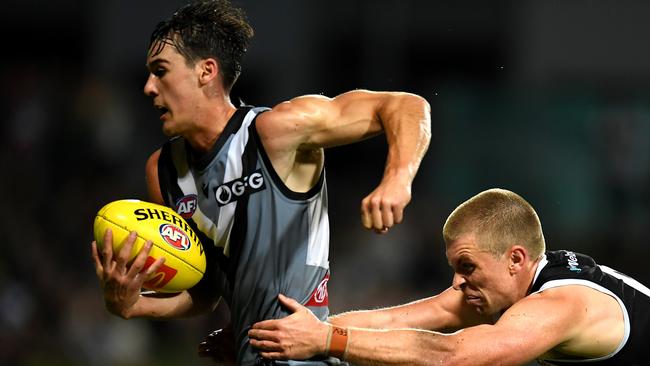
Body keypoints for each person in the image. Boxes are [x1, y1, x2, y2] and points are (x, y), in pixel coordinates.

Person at [90, 0, 431, 365]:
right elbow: (204, 290)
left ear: (206, 71)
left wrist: (397, 179)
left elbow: (405, 105)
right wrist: (131, 305)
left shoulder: (277, 132)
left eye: (161, 72)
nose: (148, 87)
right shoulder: (163, 171)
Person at [248, 188, 650, 365]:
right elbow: (394, 321)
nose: (457, 282)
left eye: (467, 267)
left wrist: (325, 340)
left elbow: (453, 356)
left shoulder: (559, 304)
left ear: (515, 258)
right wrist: (275, 336)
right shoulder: (523, 285)